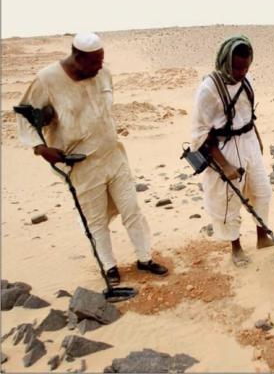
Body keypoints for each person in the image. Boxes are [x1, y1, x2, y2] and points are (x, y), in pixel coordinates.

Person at [16, 32, 168, 285]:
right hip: (82, 164)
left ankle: (144, 259)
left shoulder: (103, 73)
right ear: (77, 57)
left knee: (132, 209)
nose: (100, 67)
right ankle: (109, 267)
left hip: (113, 156)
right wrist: (42, 149)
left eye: (102, 60)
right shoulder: (47, 79)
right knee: (95, 220)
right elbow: (24, 117)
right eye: (95, 62)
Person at [190, 35, 274, 267]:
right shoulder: (208, 90)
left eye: (245, 67)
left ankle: (262, 237)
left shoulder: (248, 81)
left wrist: (257, 140)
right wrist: (225, 166)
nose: (241, 72)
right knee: (228, 202)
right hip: (224, 149)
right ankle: (236, 248)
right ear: (225, 61)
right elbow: (200, 135)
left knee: (262, 192)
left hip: (249, 144)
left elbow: (248, 115)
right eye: (237, 67)